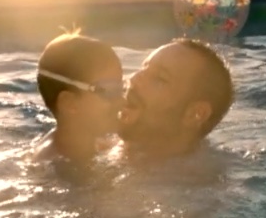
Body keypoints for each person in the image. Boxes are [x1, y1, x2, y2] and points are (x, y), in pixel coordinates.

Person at [117, 38, 234, 161]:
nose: (134, 79)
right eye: (143, 68)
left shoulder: (191, 178)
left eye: (159, 79)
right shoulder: (103, 144)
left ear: (196, 114)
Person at [33, 31, 125, 163]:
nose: (122, 101)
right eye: (109, 90)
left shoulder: (96, 143)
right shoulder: (54, 166)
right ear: (69, 103)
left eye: (121, 87)